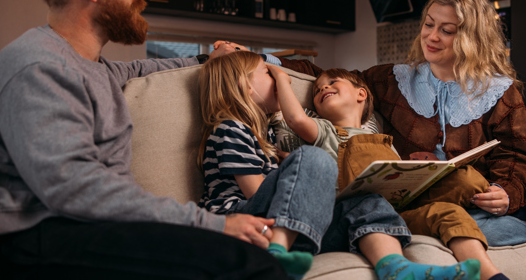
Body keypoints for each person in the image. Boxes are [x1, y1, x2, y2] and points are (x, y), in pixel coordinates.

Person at [0, 0, 283, 279]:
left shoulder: (93, 68)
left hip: (83, 227)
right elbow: (75, 190)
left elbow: (141, 68)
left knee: (245, 255)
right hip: (35, 238)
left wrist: (206, 60)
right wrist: (211, 224)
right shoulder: (37, 67)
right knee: (246, 263)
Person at [275, 0, 526, 280]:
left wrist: (508, 191)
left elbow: (521, 151)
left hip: (493, 183)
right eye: (429, 24)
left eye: (447, 30)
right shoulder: (393, 80)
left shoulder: (498, 88)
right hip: (441, 196)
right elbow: (323, 73)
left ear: (472, 37)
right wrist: (264, 60)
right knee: (475, 229)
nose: (432, 36)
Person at [198, 51, 483, 280]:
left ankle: (394, 267)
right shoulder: (231, 128)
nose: (276, 79)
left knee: (366, 201)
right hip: (245, 222)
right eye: (268, 73)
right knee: (314, 158)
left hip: (294, 224)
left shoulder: (268, 134)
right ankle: (275, 256)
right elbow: (255, 193)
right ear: (245, 85)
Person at [270, 67, 509, 280]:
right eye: (317, 90)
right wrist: (282, 77)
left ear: (360, 94)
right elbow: (295, 118)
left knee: (464, 187)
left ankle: (490, 275)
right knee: (366, 162)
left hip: (399, 209)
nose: (323, 87)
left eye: (332, 82)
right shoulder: (325, 130)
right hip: (361, 210)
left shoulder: (385, 142)